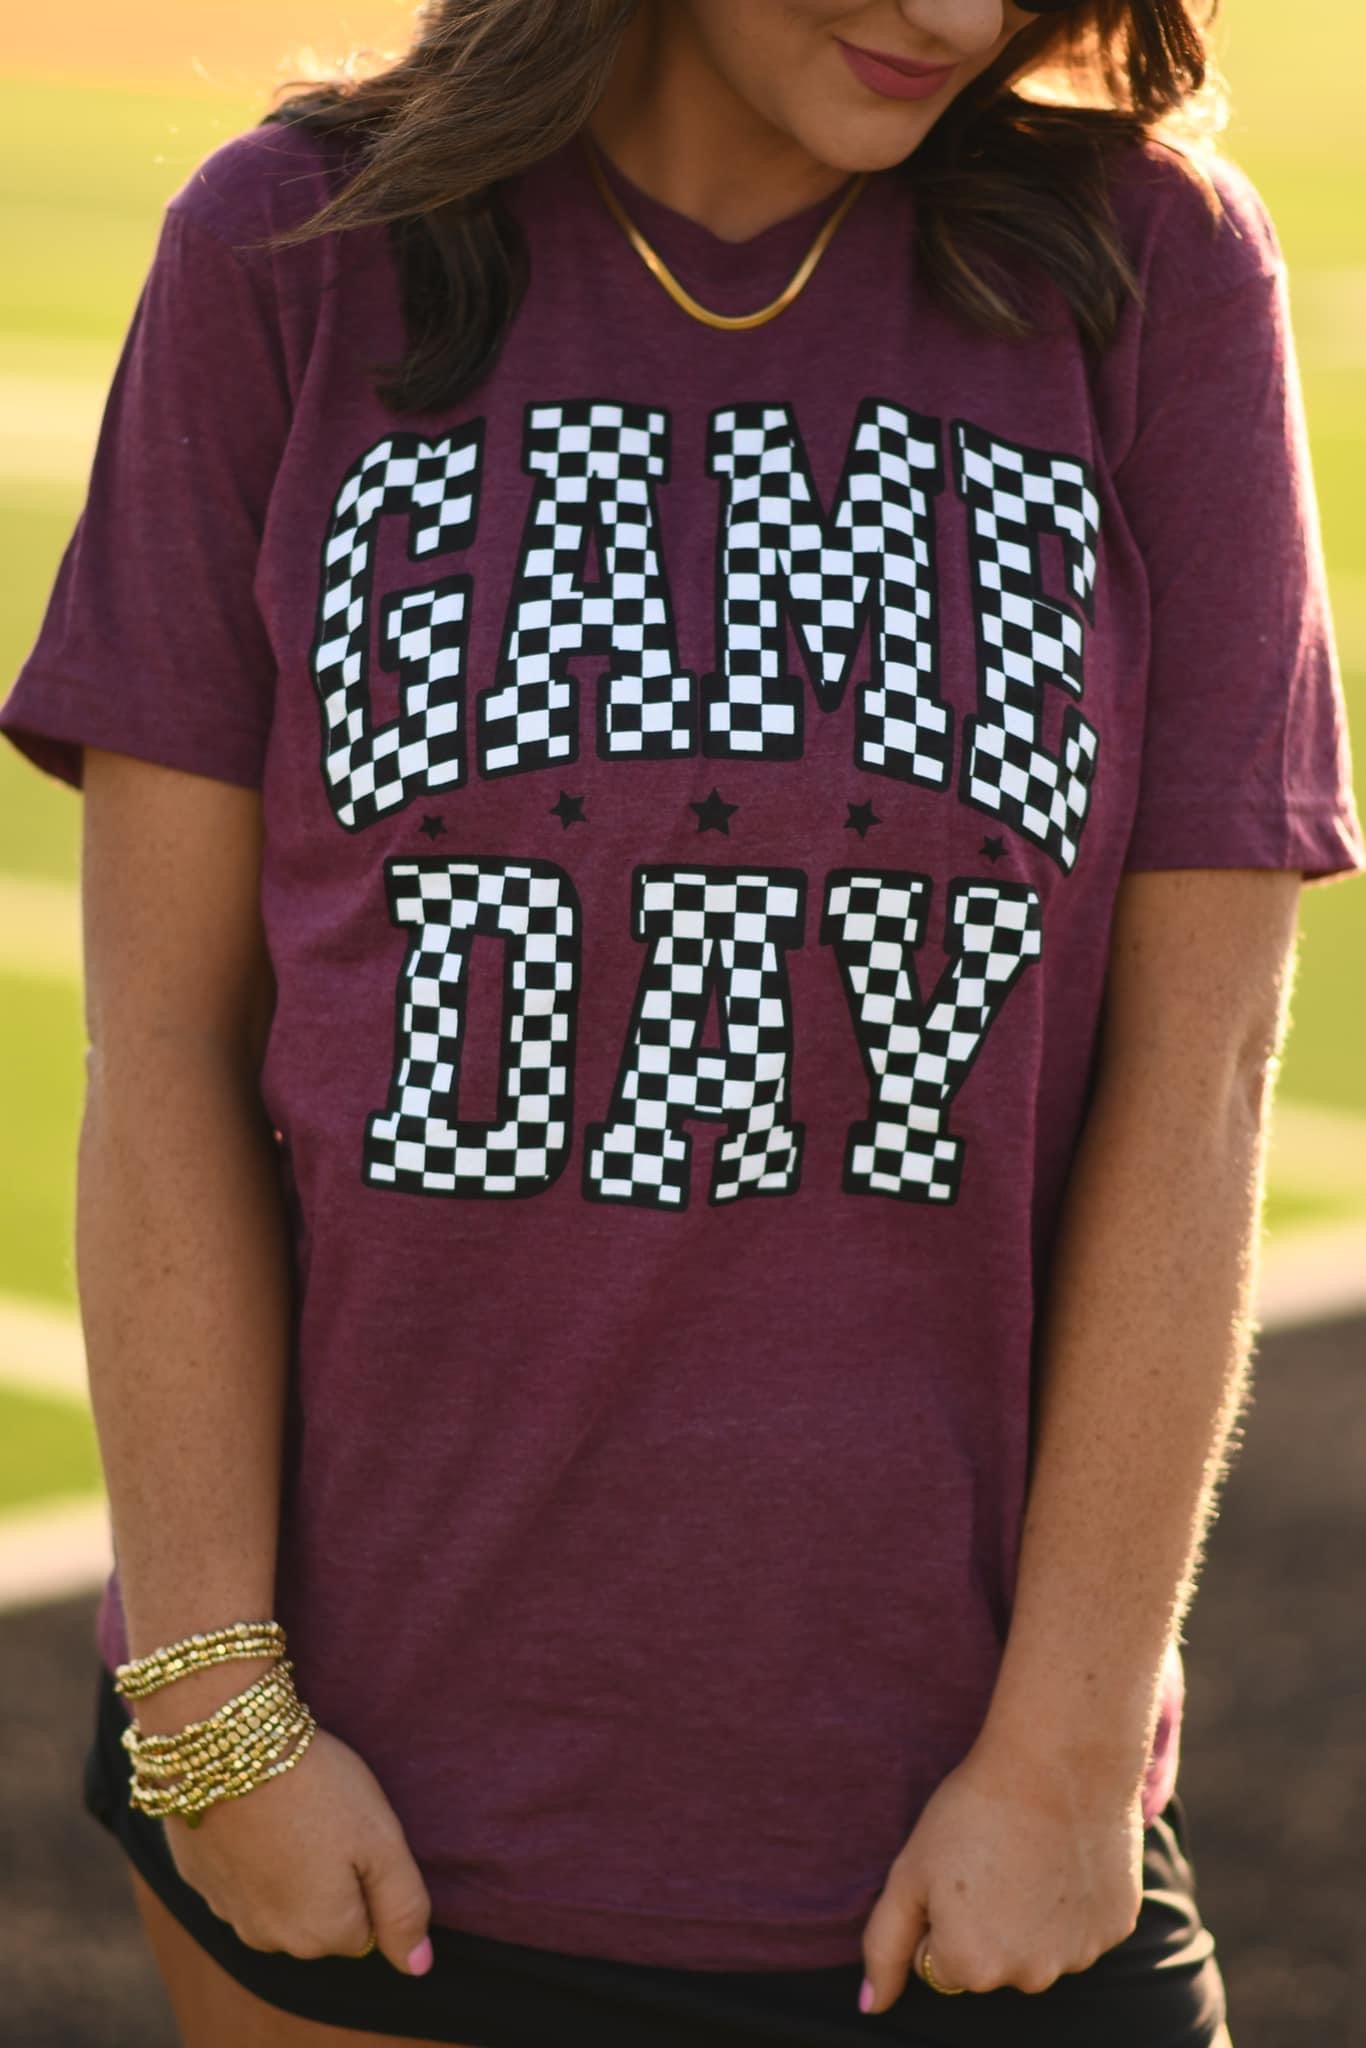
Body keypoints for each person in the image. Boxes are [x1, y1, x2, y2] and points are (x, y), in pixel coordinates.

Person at [4, 0, 1362, 2040]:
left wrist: (1064, 1755)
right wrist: (214, 1706)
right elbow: (168, 1051)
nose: (950, 15)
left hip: (957, 1847)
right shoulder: (291, 249)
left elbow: (1199, 1078)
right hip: (363, 1841)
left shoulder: (1147, 272)